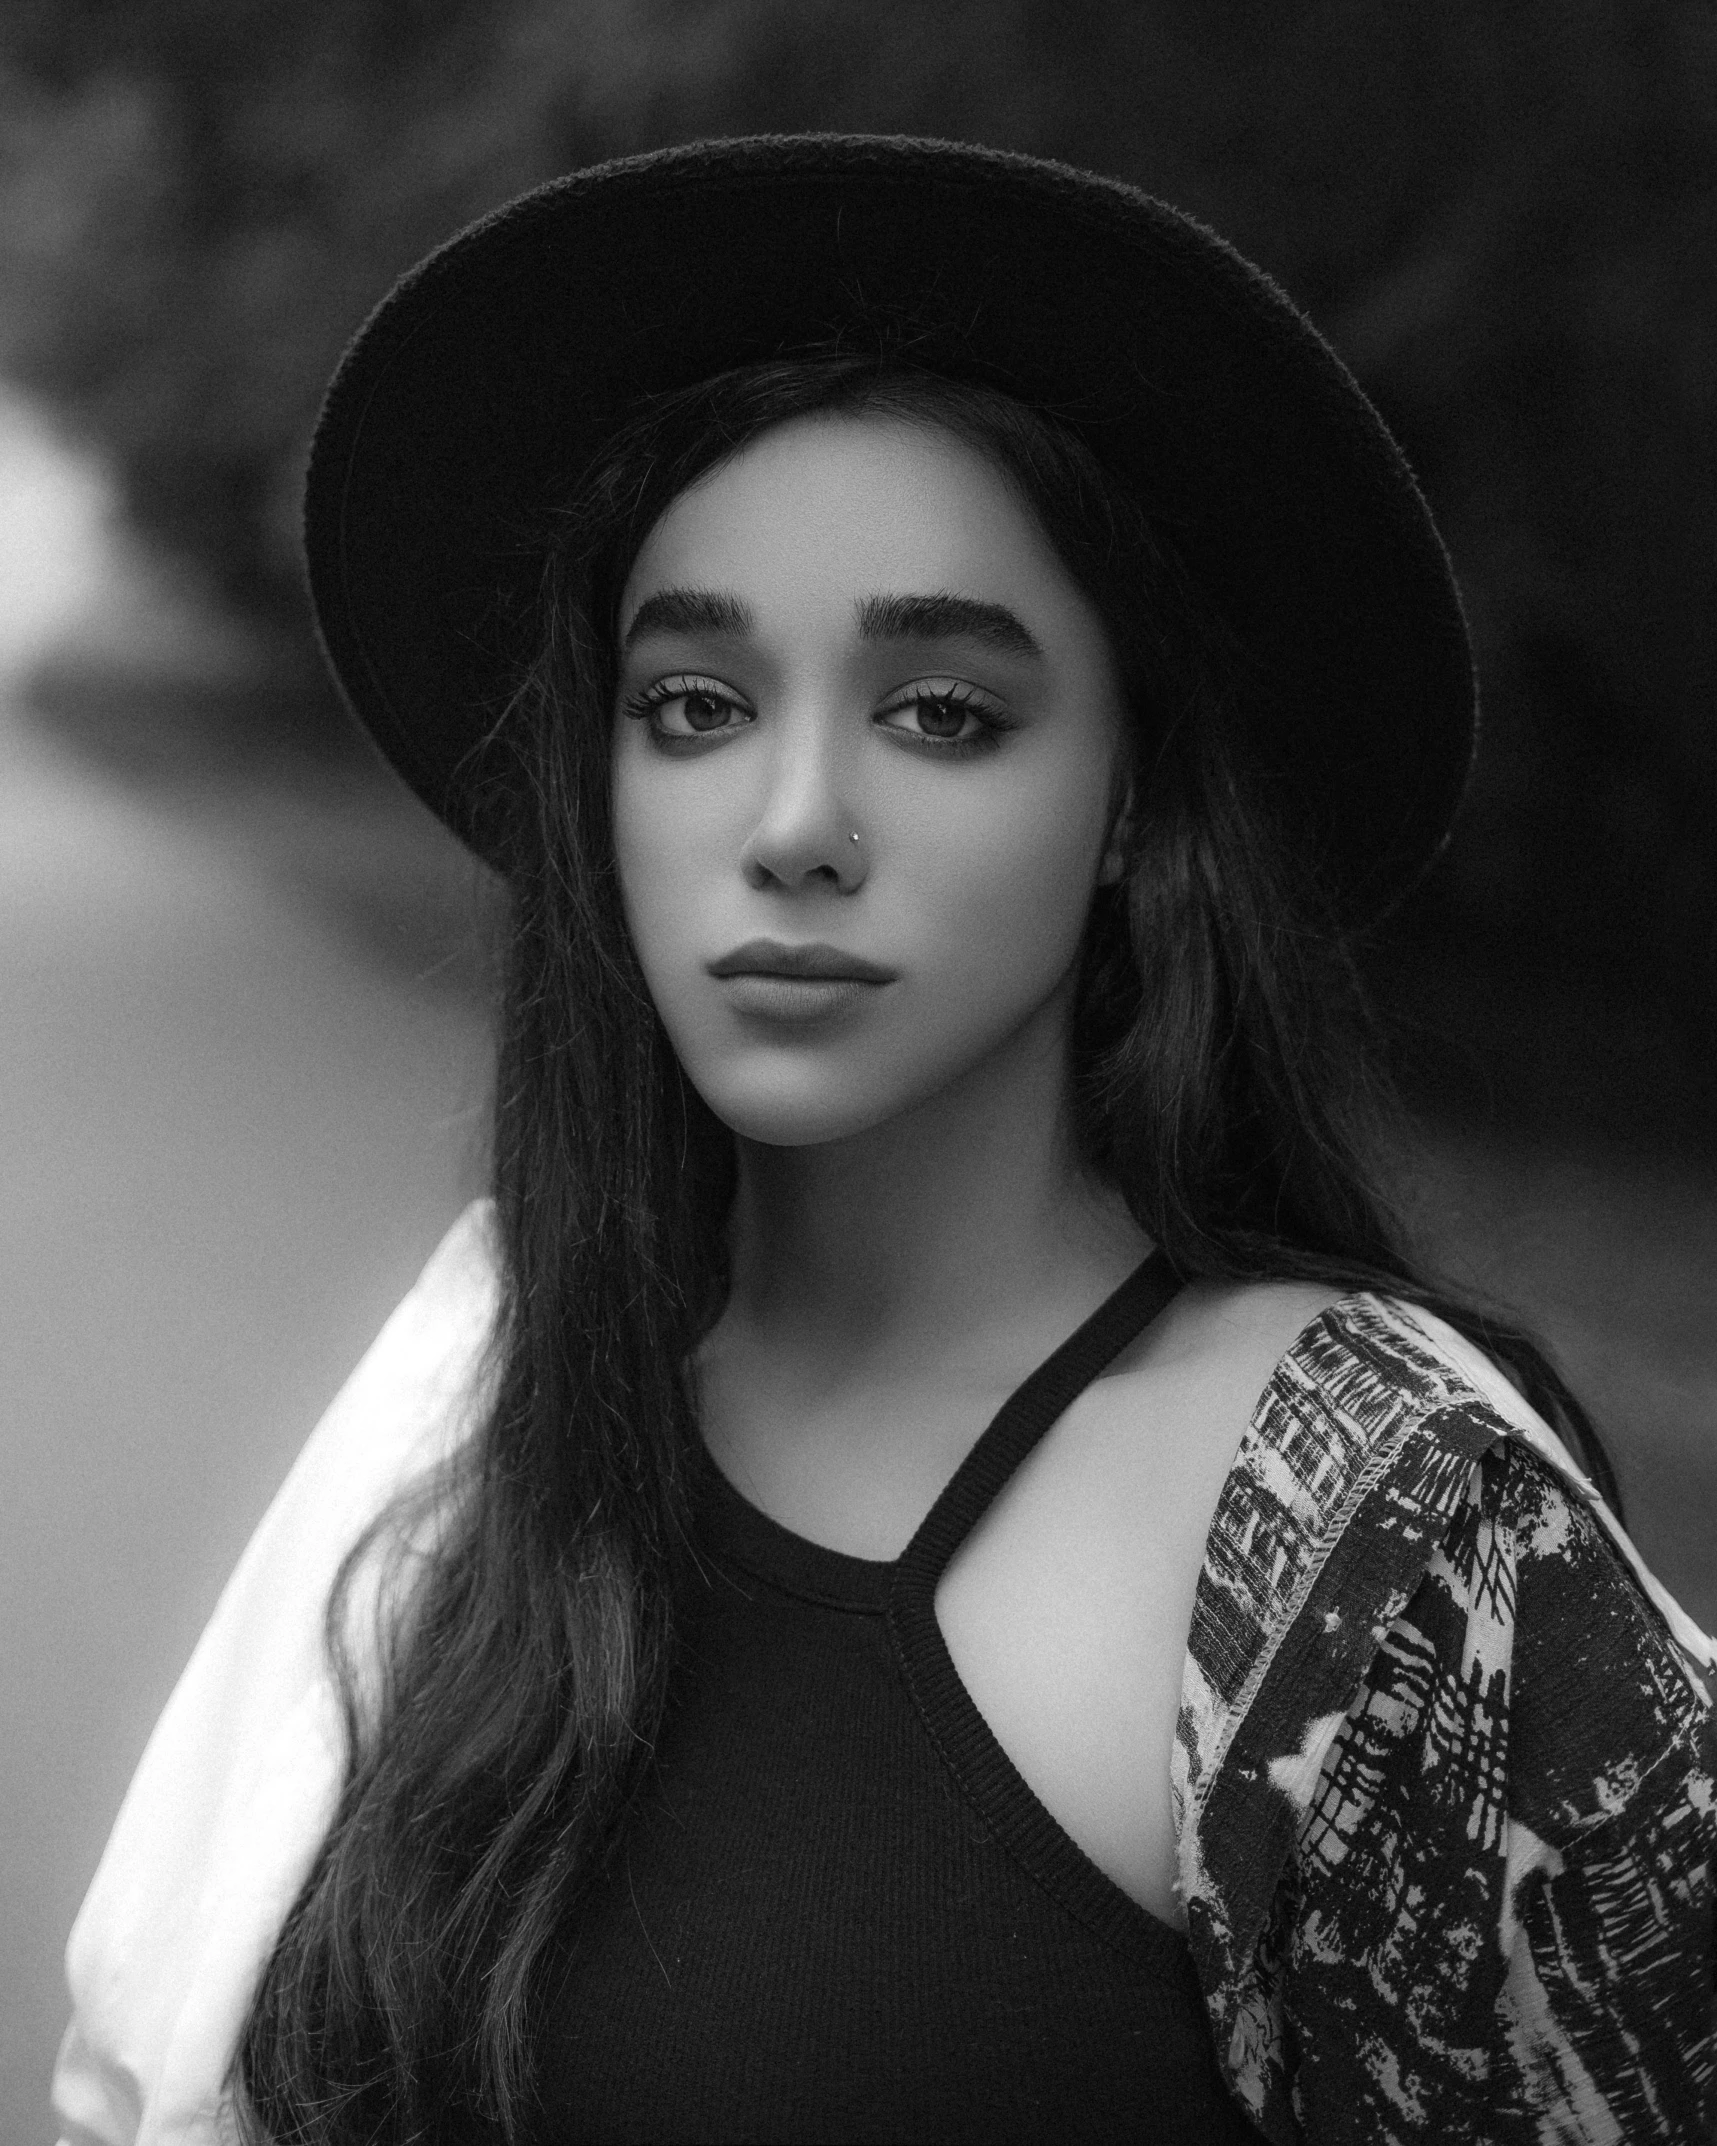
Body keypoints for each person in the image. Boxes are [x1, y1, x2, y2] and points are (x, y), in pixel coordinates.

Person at [52, 135, 1716, 2146]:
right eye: (692, 702)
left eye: (941, 709)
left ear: (1129, 803)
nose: (796, 818)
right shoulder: (485, 1404)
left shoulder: (1377, 1546)